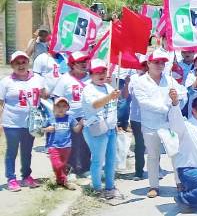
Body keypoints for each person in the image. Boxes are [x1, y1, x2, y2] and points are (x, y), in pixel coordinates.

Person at [131, 49, 188, 198]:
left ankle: (179, 182)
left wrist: (176, 100)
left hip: (168, 124)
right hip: (150, 125)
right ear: (148, 63)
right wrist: (166, 107)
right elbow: (143, 103)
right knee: (153, 156)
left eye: (162, 62)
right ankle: (153, 185)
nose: (160, 65)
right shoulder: (140, 81)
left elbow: (182, 93)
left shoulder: (169, 79)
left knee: (175, 153)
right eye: (156, 62)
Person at [0, 51, 46, 191]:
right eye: (17, 63)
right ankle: (11, 179)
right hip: (12, 123)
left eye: (23, 62)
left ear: (28, 63)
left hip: (31, 123)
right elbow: (1, 103)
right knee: (12, 151)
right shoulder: (6, 82)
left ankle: (26, 176)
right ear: (12, 65)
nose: (21, 65)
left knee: (27, 151)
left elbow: (44, 96)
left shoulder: (37, 79)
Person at [80, 59, 122, 199]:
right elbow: (95, 105)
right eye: (96, 72)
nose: (100, 74)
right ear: (91, 74)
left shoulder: (109, 87)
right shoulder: (88, 88)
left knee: (111, 160)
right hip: (96, 129)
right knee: (98, 160)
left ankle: (110, 187)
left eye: (103, 71)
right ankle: (97, 187)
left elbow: (112, 108)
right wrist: (110, 97)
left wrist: (115, 124)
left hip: (110, 129)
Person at [52, 51, 91, 178]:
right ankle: (71, 169)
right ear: (72, 65)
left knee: (86, 143)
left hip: (88, 115)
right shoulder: (64, 79)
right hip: (71, 116)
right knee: (70, 144)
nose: (84, 64)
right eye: (80, 62)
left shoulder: (91, 77)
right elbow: (57, 98)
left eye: (85, 61)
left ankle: (85, 168)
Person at [43, 97, 81, 190]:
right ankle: (65, 181)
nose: (61, 108)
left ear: (68, 108)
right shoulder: (50, 119)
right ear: (54, 107)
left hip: (67, 146)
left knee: (62, 165)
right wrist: (47, 129)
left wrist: (81, 123)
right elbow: (40, 129)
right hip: (53, 146)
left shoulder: (70, 118)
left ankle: (59, 181)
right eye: (58, 106)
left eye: (64, 106)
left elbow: (76, 130)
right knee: (57, 165)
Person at [126, 55, 148, 181]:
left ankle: (157, 169)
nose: (143, 68)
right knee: (139, 145)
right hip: (136, 117)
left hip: (150, 117)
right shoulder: (133, 79)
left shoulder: (153, 78)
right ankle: (138, 171)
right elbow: (125, 96)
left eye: (145, 64)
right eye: (141, 65)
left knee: (152, 145)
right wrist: (126, 84)